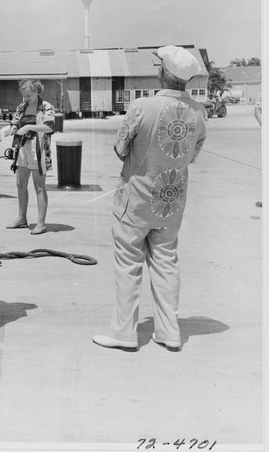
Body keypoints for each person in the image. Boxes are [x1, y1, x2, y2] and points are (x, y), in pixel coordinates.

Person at [93, 45, 207, 353]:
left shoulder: (142, 106)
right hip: (171, 201)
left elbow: (120, 149)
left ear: (164, 73)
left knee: (129, 262)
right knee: (166, 261)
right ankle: (169, 332)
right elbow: (192, 155)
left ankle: (124, 332)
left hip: (136, 199)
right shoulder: (199, 112)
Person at [6, 79, 55, 234]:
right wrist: (14, 127)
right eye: (24, 95)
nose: (26, 98)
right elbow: (15, 121)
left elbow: (49, 127)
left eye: (29, 95)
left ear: (37, 91)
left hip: (38, 147)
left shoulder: (47, 107)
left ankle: (41, 223)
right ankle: (22, 218)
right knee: (20, 184)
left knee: (39, 186)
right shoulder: (21, 106)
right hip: (22, 146)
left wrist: (28, 127)